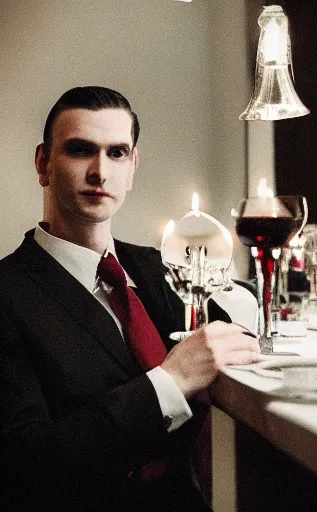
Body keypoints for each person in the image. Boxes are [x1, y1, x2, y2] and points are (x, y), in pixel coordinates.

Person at [0, 86, 260, 511]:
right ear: (43, 163)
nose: (100, 172)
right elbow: (27, 463)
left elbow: (232, 343)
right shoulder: (7, 293)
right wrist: (171, 383)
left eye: (117, 153)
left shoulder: (160, 267)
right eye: (81, 150)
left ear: (133, 166)